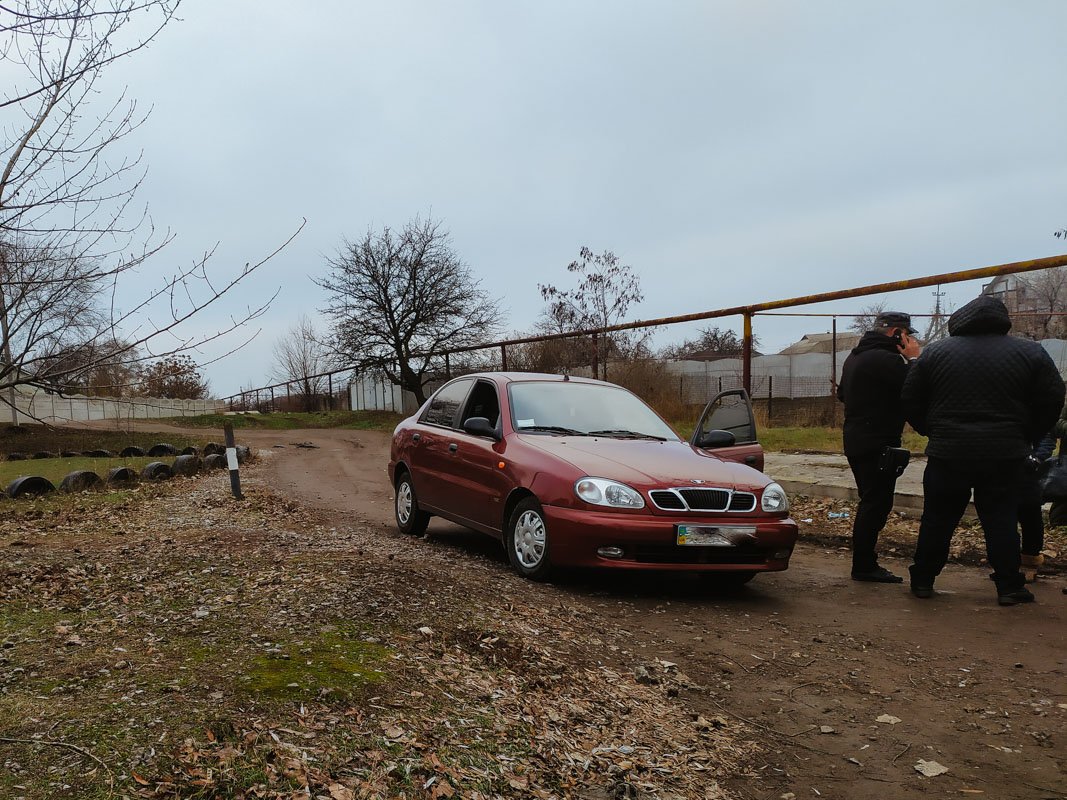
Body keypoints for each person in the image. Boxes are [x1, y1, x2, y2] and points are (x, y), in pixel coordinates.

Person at [901, 295, 1065, 606]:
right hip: (1004, 454)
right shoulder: (1029, 352)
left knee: (938, 519)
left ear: (962, 320)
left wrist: (933, 430)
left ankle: (922, 580)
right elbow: (1053, 397)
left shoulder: (936, 352)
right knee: (1001, 519)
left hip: (948, 454)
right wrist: (1027, 434)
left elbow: (910, 399)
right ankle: (1009, 587)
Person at [836, 310, 922, 583]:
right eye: (906, 334)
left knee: (871, 501)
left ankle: (864, 562)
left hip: (856, 438)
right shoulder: (886, 359)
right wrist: (914, 359)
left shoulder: (855, 356)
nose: (909, 340)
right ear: (896, 333)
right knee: (876, 504)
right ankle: (864, 565)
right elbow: (916, 387)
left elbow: (842, 394)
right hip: (878, 442)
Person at [1018, 431, 1055, 582]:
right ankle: (1006, 563)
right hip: (1001, 469)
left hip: (1027, 471)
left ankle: (1029, 563)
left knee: (1031, 516)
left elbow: (1046, 435)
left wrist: (1036, 459)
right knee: (1002, 520)